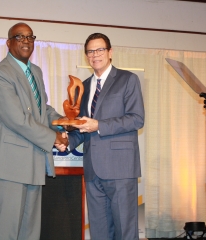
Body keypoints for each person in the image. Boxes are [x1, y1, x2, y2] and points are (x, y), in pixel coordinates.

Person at [0, 22, 68, 240]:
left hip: (33, 161)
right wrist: (53, 138)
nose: (26, 41)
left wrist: (62, 121)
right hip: (9, 165)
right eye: (20, 37)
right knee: (5, 231)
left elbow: (42, 109)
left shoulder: (36, 72)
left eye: (30, 37)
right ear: (8, 43)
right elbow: (18, 120)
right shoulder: (0, 74)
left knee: (29, 232)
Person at [65, 33, 145, 240]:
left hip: (120, 168)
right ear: (86, 56)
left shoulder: (128, 80)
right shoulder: (83, 86)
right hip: (92, 170)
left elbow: (137, 119)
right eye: (90, 51)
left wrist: (99, 125)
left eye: (100, 50)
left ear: (110, 52)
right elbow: (83, 128)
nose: (95, 55)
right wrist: (66, 141)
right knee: (99, 232)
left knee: (125, 231)